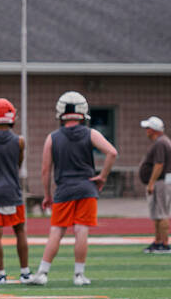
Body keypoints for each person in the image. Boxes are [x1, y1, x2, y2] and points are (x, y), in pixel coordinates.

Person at [25, 91, 118, 286]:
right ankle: (79, 275)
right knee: (81, 230)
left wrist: (47, 195)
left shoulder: (52, 137)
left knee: (56, 231)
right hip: (86, 188)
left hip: (64, 189)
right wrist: (102, 176)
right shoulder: (91, 133)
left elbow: (45, 170)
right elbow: (112, 152)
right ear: (83, 112)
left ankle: (43, 272)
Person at [0, 98, 32, 284]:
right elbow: (18, 164)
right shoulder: (20, 141)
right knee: (20, 230)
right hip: (13, 191)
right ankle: (25, 273)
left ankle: (0, 274)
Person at [139, 116, 171, 254]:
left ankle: (165, 244)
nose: (146, 131)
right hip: (161, 181)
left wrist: (151, 183)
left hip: (161, 182)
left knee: (162, 213)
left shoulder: (160, 143)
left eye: (148, 128)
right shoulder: (162, 142)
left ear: (153, 130)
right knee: (157, 214)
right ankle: (158, 242)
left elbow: (159, 164)